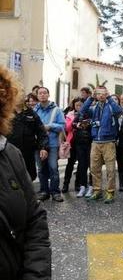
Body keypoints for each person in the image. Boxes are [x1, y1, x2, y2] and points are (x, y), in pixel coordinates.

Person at [0, 66, 51, 279]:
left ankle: (50, 190)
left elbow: (34, 220)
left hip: (26, 155)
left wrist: (35, 275)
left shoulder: (9, 154)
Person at [80, 86, 123, 204]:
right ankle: (97, 190)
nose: (101, 96)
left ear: (107, 94)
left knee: (110, 169)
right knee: (94, 168)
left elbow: (119, 111)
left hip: (109, 142)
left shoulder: (111, 106)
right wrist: (90, 98)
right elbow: (82, 111)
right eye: (98, 94)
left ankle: (110, 192)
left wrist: (109, 97)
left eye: (103, 93)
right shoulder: (94, 108)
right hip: (95, 142)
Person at [34, 87, 66, 202]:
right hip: (38, 145)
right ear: (37, 96)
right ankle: (44, 191)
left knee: (53, 168)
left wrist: (49, 126)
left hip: (52, 144)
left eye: (44, 93)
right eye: (40, 93)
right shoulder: (35, 110)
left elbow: (62, 126)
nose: (42, 95)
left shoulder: (56, 110)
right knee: (41, 169)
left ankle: (55, 192)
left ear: (48, 95)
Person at [7, 94, 49, 181]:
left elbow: (41, 132)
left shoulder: (32, 114)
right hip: (10, 152)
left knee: (29, 176)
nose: (19, 98)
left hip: (28, 152)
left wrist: (43, 147)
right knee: (11, 179)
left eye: (21, 95)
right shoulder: (6, 113)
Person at [72, 98, 93, 198]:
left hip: (90, 142)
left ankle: (91, 187)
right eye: (78, 106)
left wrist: (90, 123)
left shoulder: (92, 112)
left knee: (91, 166)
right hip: (80, 142)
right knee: (82, 166)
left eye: (82, 105)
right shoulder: (79, 115)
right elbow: (73, 124)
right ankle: (83, 186)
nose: (80, 108)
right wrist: (78, 124)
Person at [62, 98, 80, 193]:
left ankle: (78, 184)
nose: (79, 107)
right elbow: (67, 127)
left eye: (80, 105)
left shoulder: (86, 114)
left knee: (81, 164)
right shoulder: (69, 114)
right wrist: (75, 120)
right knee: (70, 163)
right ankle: (65, 184)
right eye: (77, 105)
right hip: (72, 141)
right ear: (74, 106)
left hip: (82, 142)